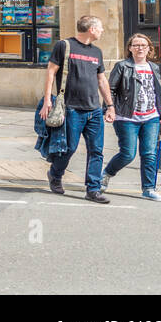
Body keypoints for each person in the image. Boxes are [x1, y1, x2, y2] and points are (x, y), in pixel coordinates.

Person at [39, 14, 116, 203]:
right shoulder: (64, 46)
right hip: (72, 108)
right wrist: (48, 99)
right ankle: (55, 175)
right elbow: (51, 72)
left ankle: (93, 190)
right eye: (100, 27)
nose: (102, 31)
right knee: (69, 148)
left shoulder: (97, 52)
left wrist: (110, 105)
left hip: (95, 110)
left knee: (96, 150)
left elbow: (102, 80)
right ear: (91, 29)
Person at [104, 33, 161, 202]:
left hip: (151, 117)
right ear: (130, 48)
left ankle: (148, 189)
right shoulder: (122, 66)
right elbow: (109, 89)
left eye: (143, 45)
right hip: (126, 117)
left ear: (149, 49)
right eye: (136, 45)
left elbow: (157, 93)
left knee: (149, 154)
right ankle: (106, 174)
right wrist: (109, 109)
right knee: (127, 154)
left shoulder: (154, 67)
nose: (140, 48)